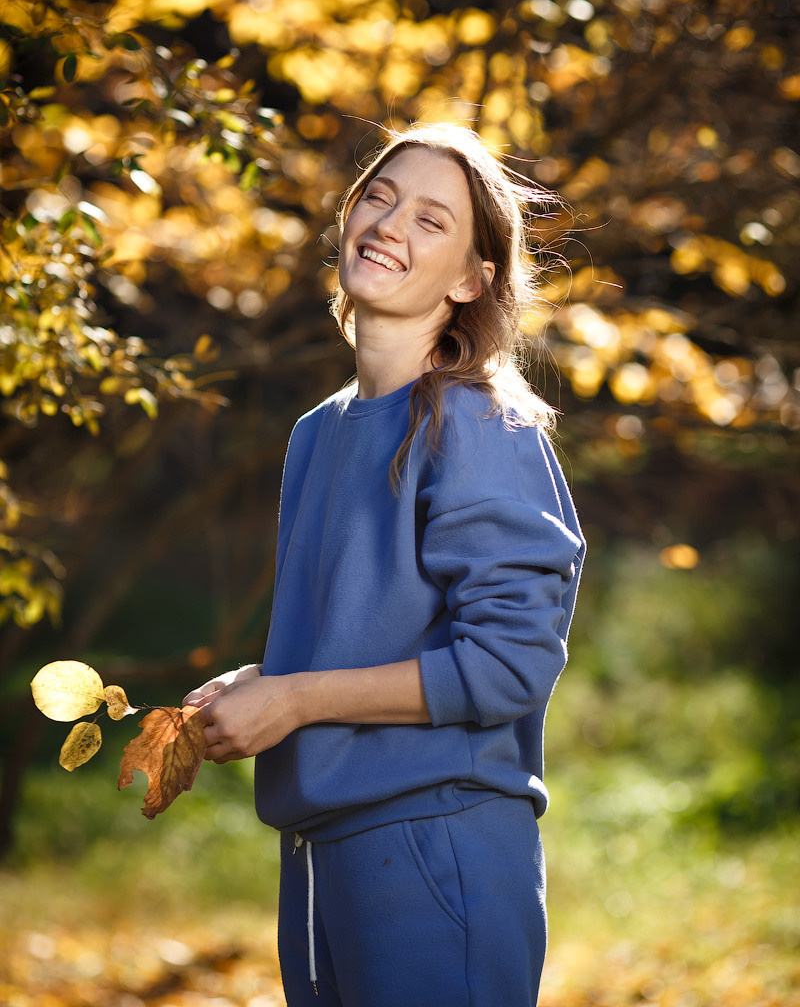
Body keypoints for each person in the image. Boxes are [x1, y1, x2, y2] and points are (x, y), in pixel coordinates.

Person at [183, 122, 585, 1007]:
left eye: (432, 220)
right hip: (318, 864)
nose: (390, 223)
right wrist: (262, 681)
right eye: (379, 195)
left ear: (474, 280)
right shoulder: (318, 433)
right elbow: (370, 633)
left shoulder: (481, 427)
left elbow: (508, 666)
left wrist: (293, 700)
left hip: (435, 855)